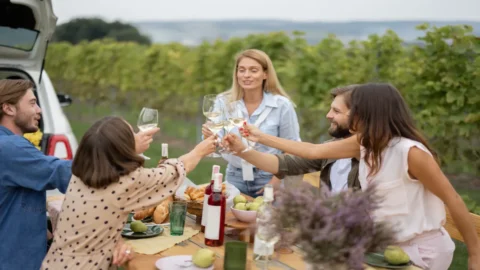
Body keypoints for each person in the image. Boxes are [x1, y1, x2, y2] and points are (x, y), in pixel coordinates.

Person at [224, 83, 480, 270]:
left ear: (369, 113)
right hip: (382, 251)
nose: (334, 116)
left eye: (348, 110)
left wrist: (475, 256)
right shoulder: (363, 144)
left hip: (422, 255)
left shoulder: (410, 152)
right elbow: (314, 150)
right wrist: (257, 139)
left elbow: (453, 200)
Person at [0, 79, 157, 270]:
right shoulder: (10, 147)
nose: (39, 110)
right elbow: (70, 174)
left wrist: (46, 233)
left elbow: (14, 201)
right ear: (8, 108)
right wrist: (122, 149)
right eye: (32, 103)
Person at [41, 116, 216, 269]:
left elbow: (99, 220)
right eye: (131, 133)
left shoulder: (82, 174)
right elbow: (173, 171)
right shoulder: (124, 182)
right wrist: (200, 150)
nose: (135, 136)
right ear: (121, 147)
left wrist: (114, 240)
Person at [202, 49, 300, 198]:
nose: (246, 75)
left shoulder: (282, 105)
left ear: (265, 74)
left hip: (270, 176)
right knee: (229, 220)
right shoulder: (223, 101)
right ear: (236, 74)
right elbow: (215, 143)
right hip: (235, 176)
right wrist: (210, 136)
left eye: (253, 70)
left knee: (267, 220)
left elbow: (292, 147)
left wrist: (276, 180)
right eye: (242, 70)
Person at [274, 84, 360, 192]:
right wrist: (246, 150)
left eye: (336, 111)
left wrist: (259, 136)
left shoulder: (365, 147)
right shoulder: (332, 148)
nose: (328, 115)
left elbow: (312, 150)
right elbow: (286, 164)